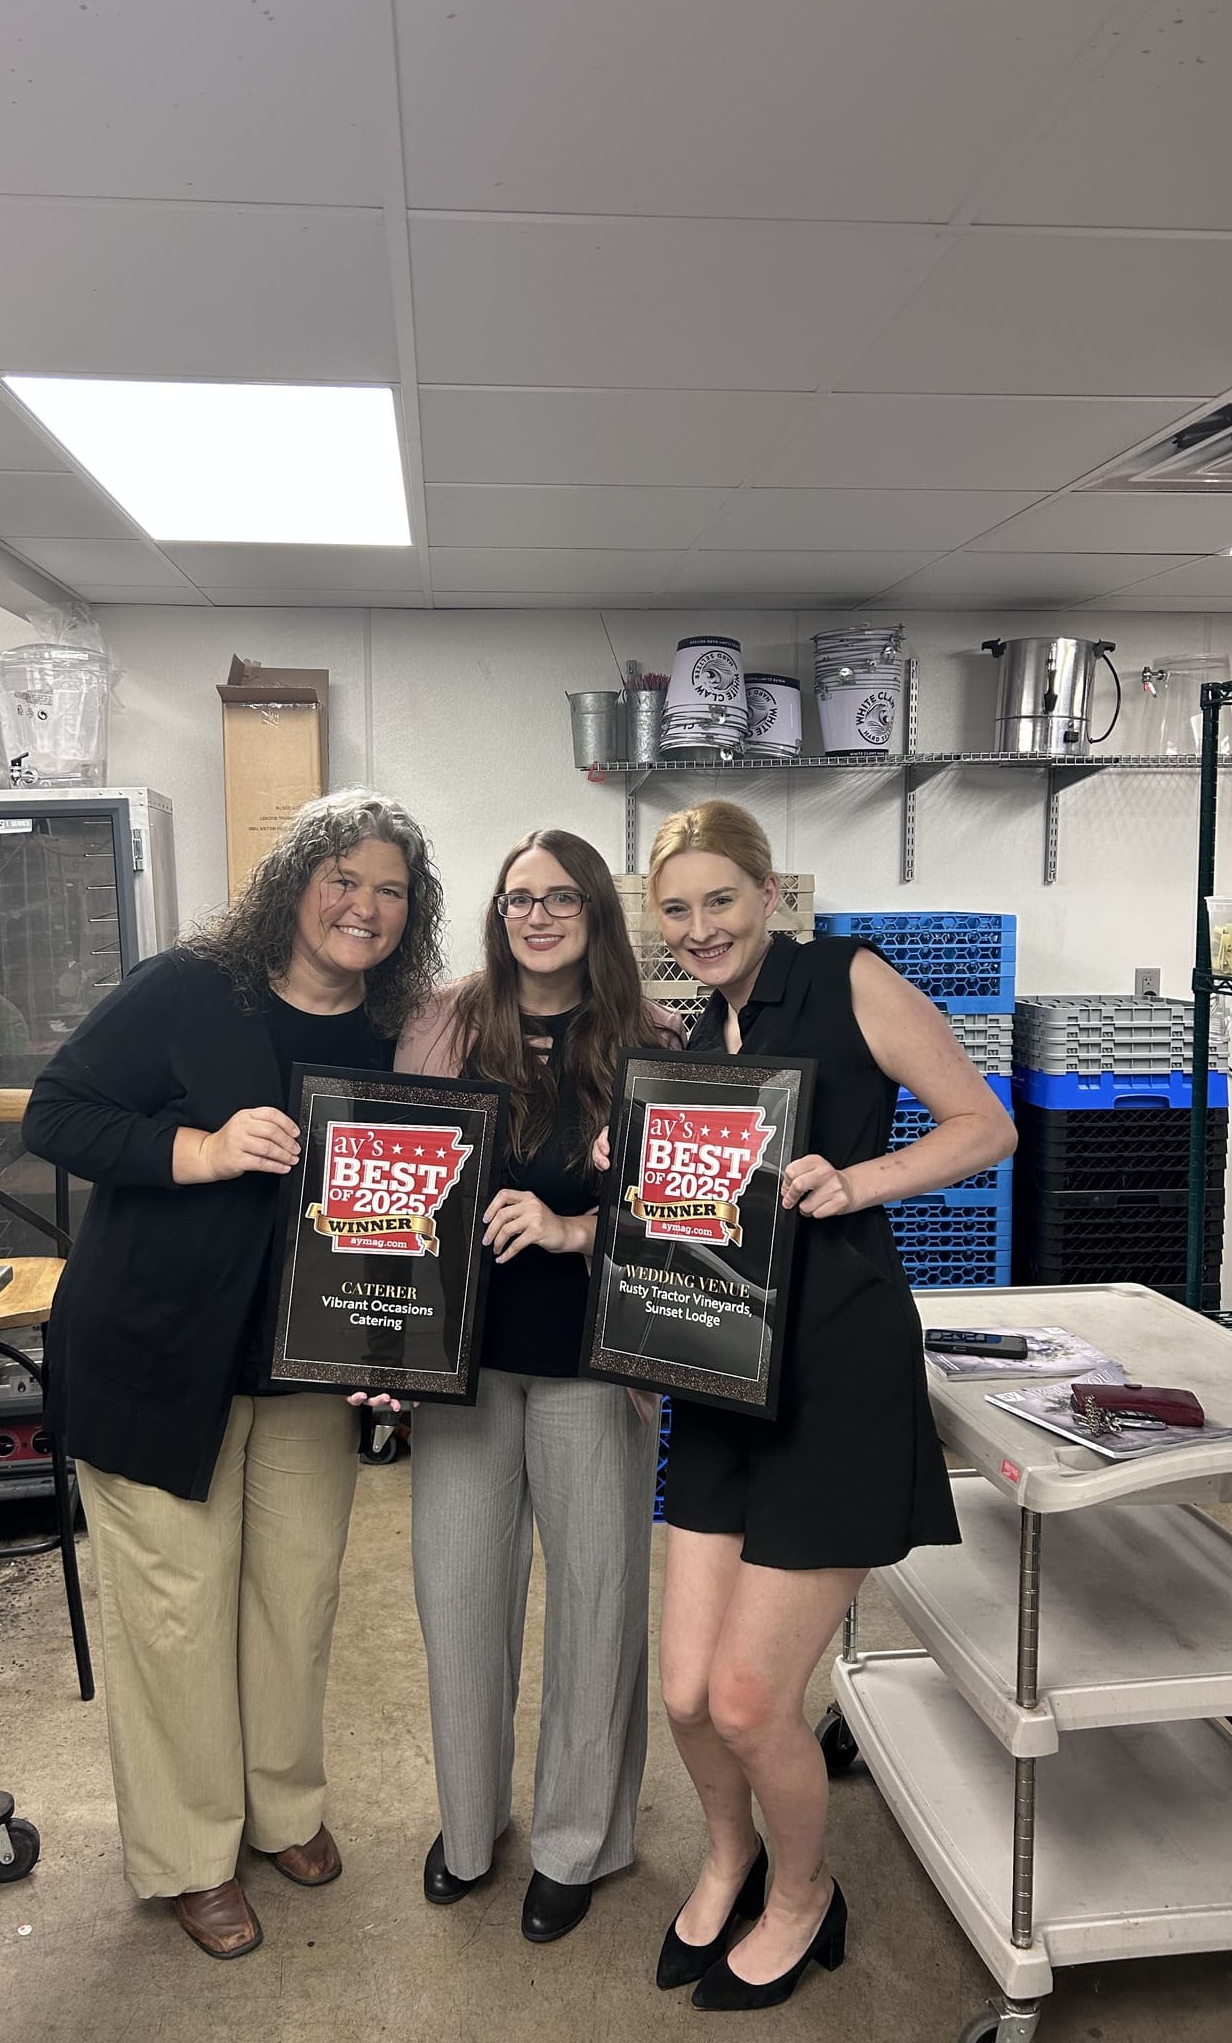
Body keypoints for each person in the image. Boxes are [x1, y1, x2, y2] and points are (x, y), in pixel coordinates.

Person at [22, 790, 444, 1960]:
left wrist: (400, 1343)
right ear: (295, 880)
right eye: (342, 877)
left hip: (304, 1374)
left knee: (295, 1598)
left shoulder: (394, 1036)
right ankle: (193, 1853)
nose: (363, 904)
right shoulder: (187, 989)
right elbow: (56, 1111)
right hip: (153, 1357)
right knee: (176, 1614)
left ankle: (282, 1808)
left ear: (413, 913)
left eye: (390, 888)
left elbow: (409, 1214)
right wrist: (196, 1150)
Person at [632, 799, 1016, 2011]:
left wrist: (855, 1178)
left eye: (721, 900)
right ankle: (733, 1853)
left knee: (751, 1696)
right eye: (677, 909)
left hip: (837, 1368)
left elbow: (983, 1126)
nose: (700, 927)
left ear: (770, 890)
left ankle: (805, 1893)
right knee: (687, 1690)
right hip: (723, 1366)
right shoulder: (703, 1024)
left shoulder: (849, 976)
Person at [395, 829, 680, 1943]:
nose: (538, 914)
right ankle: (469, 1829)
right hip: (460, 1369)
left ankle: (579, 1840)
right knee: (459, 1601)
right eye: (519, 897)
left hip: (590, 1372)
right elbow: (395, 1173)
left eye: (561, 896)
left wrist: (573, 1226)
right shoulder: (445, 1021)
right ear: (497, 913)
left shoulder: (650, 1039)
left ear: (596, 913)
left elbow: (688, 1221)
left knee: (599, 1607)